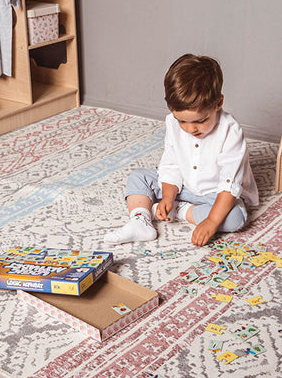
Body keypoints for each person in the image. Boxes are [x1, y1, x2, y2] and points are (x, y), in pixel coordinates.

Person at [104, 54, 259, 247]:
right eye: (182, 121)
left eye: (200, 121)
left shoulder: (230, 130)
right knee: (139, 177)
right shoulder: (172, 122)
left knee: (235, 218)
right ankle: (140, 220)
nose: (190, 129)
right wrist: (168, 196)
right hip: (184, 186)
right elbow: (171, 163)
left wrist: (210, 222)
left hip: (215, 193)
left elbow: (229, 184)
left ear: (218, 103)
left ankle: (178, 210)